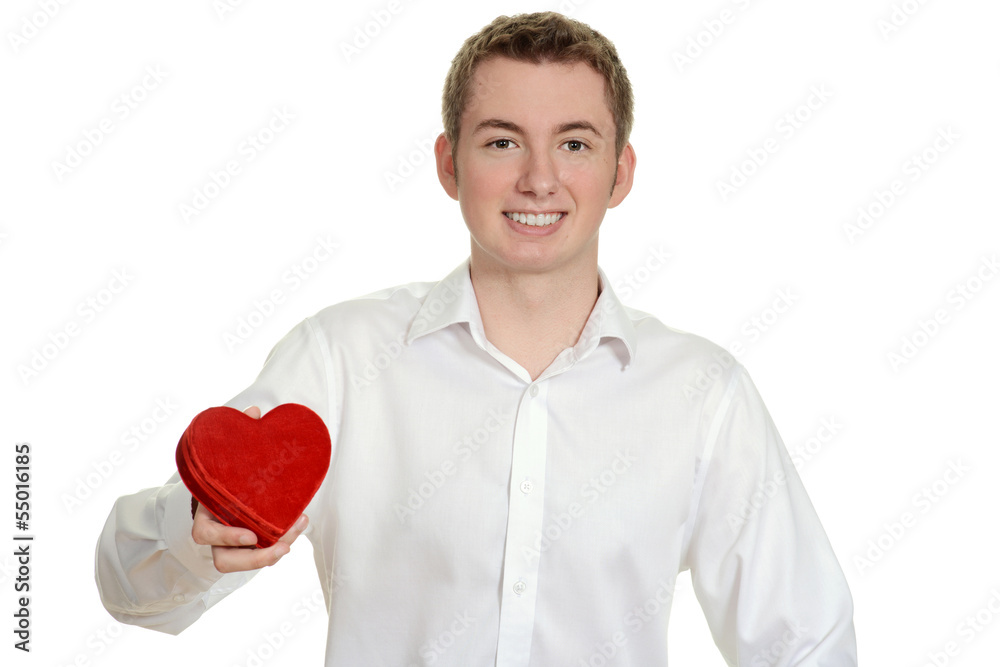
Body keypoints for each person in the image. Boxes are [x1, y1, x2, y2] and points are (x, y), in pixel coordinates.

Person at [96, 11, 857, 665]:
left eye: (575, 144)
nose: (539, 179)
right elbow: (127, 588)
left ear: (620, 173)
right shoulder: (342, 359)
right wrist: (199, 533)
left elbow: (807, 641)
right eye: (501, 142)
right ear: (448, 164)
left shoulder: (703, 393)